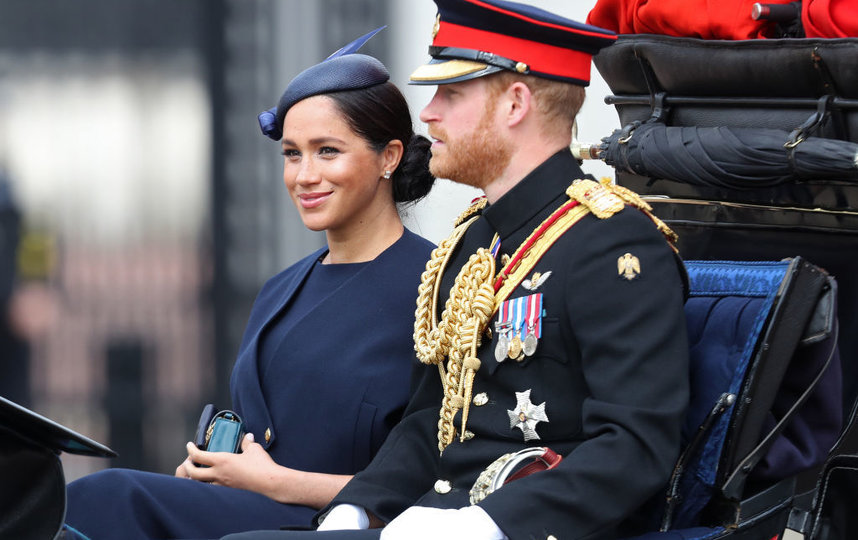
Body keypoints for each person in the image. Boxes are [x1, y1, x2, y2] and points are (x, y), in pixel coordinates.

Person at [221, 1, 690, 539]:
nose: (428, 113)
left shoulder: (612, 242)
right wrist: (357, 510)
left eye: (452, 94)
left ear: (515, 103)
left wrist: (490, 524)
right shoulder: (474, 240)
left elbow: (635, 444)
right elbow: (430, 421)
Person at [63, 29, 436, 540]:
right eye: (292, 154)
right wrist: (211, 473)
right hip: (249, 515)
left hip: (341, 524)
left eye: (327, 151)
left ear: (388, 158)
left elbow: (436, 480)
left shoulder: (435, 287)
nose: (304, 175)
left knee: (107, 497)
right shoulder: (280, 289)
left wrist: (276, 482)